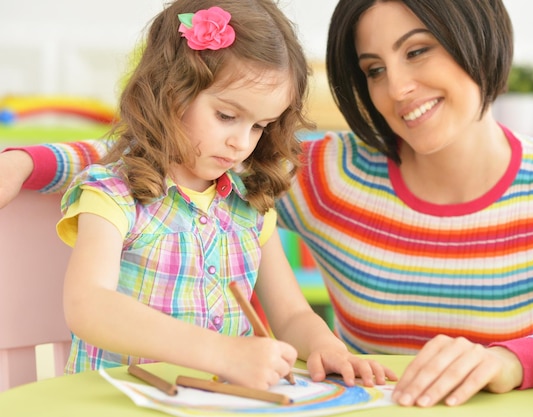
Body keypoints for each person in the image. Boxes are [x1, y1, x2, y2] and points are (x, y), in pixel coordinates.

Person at [2, 0, 533, 407]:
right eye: (372, 68)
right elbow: (154, 156)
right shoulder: (325, 173)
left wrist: (506, 362)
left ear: (479, 37)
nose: (398, 88)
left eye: (418, 51)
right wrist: (31, 161)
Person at [1, 0, 398, 390]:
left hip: (216, 401)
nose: (241, 143)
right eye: (226, 116)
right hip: (113, 400)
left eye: (260, 125)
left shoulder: (249, 204)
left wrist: (326, 346)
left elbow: (291, 314)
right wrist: (224, 354)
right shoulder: (113, 194)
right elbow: (89, 306)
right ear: (168, 92)